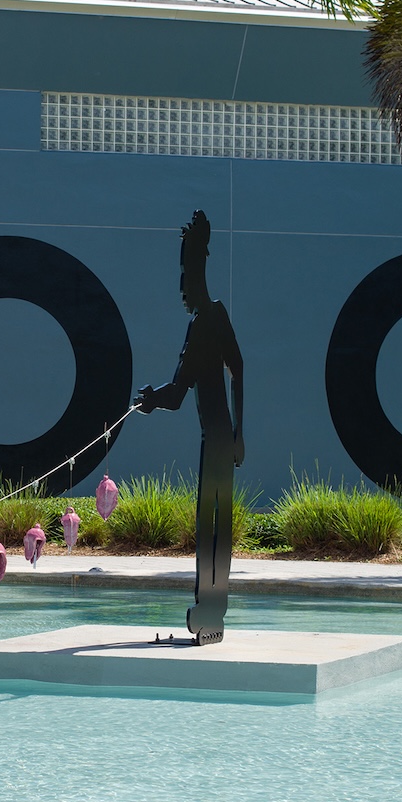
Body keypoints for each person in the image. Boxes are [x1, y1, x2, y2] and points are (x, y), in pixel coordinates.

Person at [133, 211, 244, 645]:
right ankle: (214, 609)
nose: (180, 290)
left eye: (185, 277)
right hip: (223, 436)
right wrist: (240, 431)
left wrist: (149, 399)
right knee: (221, 524)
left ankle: (210, 610)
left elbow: (179, 393)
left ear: (197, 275)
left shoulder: (203, 322)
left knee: (209, 524)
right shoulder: (217, 316)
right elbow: (237, 369)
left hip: (215, 440)